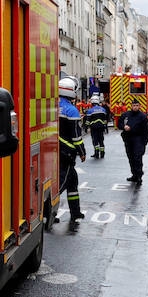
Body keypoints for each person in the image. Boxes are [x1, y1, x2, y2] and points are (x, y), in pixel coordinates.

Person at [57, 77, 85, 231]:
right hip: (67, 153)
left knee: (72, 181)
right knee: (60, 184)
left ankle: (75, 212)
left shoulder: (53, 105)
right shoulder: (71, 110)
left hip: (55, 149)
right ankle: (47, 211)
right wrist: (82, 152)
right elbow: (76, 136)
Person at [119, 104, 148, 183]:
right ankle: (134, 174)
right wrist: (124, 127)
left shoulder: (142, 116)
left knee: (137, 158)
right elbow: (119, 124)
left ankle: (139, 176)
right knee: (131, 157)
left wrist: (144, 143)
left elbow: (147, 131)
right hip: (128, 139)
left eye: (137, 105)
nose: (135, 107)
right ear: (131, 106)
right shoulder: (126, 115)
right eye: (134, 105)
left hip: (138, 139)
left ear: (139, 106)